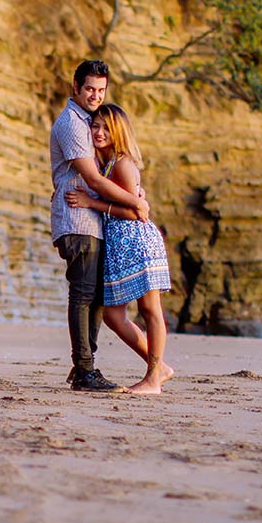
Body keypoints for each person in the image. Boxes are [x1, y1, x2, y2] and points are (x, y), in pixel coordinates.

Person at [50, 61, 151, 391]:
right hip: (76, 219)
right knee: (83, 295)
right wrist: (134, 202)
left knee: (94, 297)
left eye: (100, 90)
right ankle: (84, 370)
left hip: (93, 221)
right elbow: (92, 178)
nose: (94, 95)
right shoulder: (71, 124)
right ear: (75, 86)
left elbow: (108, 170)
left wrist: (133, 190)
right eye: (89, 89)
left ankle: (85, 366)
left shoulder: (89, 122)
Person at [65, 103, 174, 394]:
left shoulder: (123, 164)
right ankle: (159, 366)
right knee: (114, 316)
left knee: (151, 310)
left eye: (106, 127)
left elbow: (136, 212)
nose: (98, 132)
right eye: (95, 126)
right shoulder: (107, 164)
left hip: (137, 242)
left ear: (118, 132)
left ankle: (153, 379)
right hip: (119, 246)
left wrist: (91, 203)